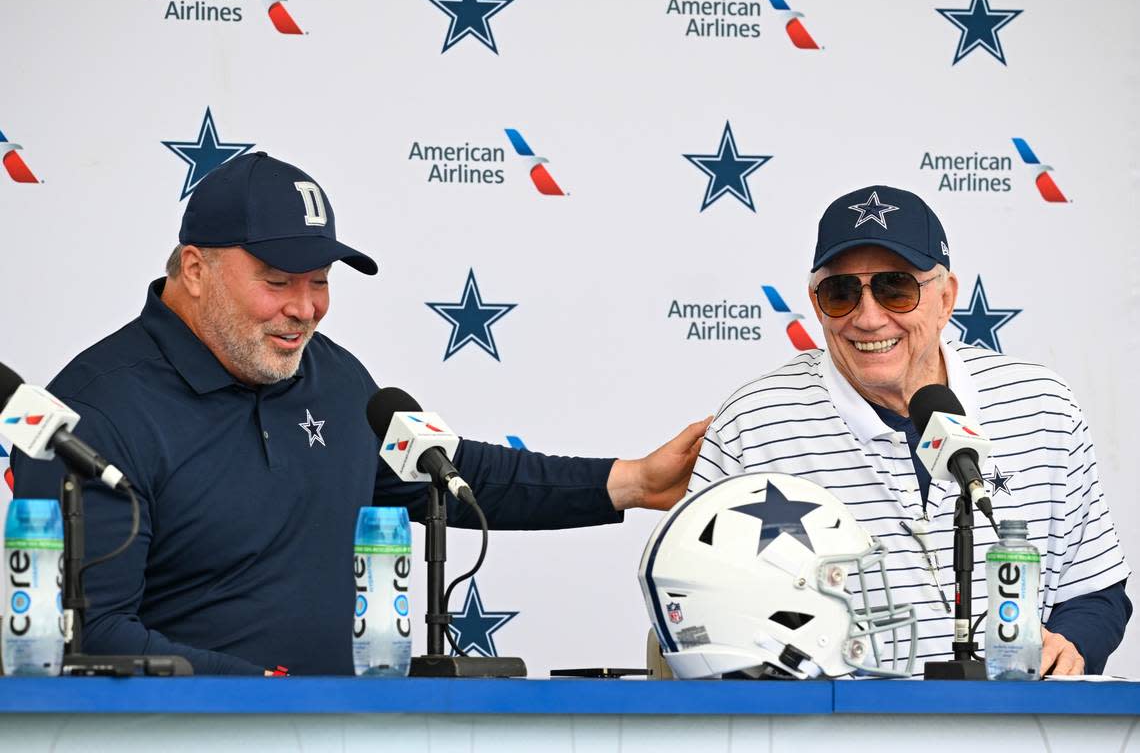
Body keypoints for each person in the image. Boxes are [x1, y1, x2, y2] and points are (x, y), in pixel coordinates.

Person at [12, 152, 708, 676]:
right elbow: (88, 635)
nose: (305, 309)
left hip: (346, 731)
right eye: (278, 282)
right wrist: (274, 692)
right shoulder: (94, 410)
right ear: (194, 270)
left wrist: (633, 482)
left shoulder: (336, 378)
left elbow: (448, 476)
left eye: (320, 283)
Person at [689, 185, 1131, 676]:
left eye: (896, 288)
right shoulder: (754, 423)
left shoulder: (1041, 405)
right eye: (841, 293)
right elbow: (700, 605)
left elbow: (1095, 591)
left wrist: (1068, 646)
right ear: (815, 304)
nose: (869, 317)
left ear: (946, 298)